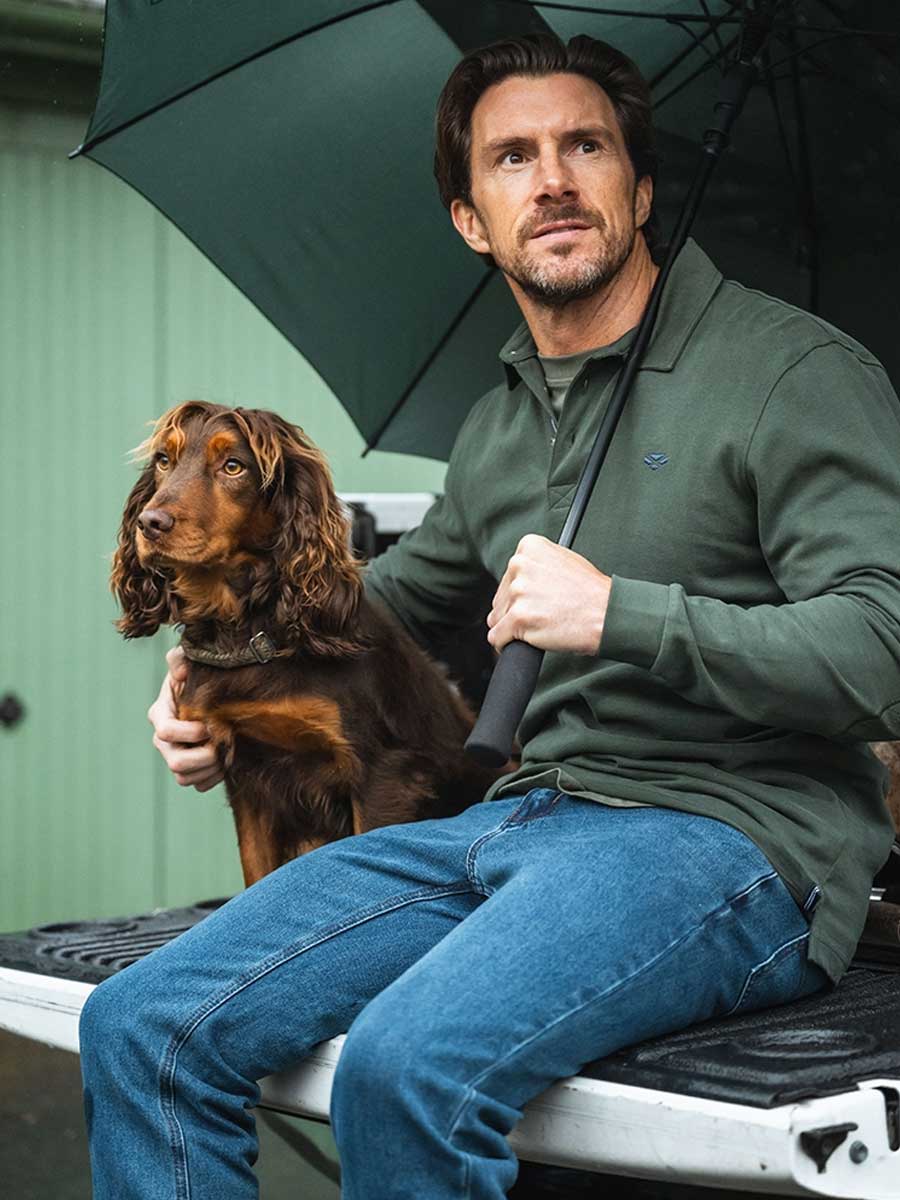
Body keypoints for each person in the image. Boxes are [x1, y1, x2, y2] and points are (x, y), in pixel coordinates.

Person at [79, 32, 900, 1200]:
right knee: (144, 1024)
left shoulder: (790, 373)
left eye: (585, 146)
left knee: (407, 1069)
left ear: (641, 187)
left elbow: (881, 651)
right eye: (512, 158)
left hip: (728, 837)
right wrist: (227, 684)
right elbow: (388, 609)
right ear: (473, 219)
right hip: (515, 816)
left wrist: (623, 614)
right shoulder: (504, 419)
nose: (553, 178)